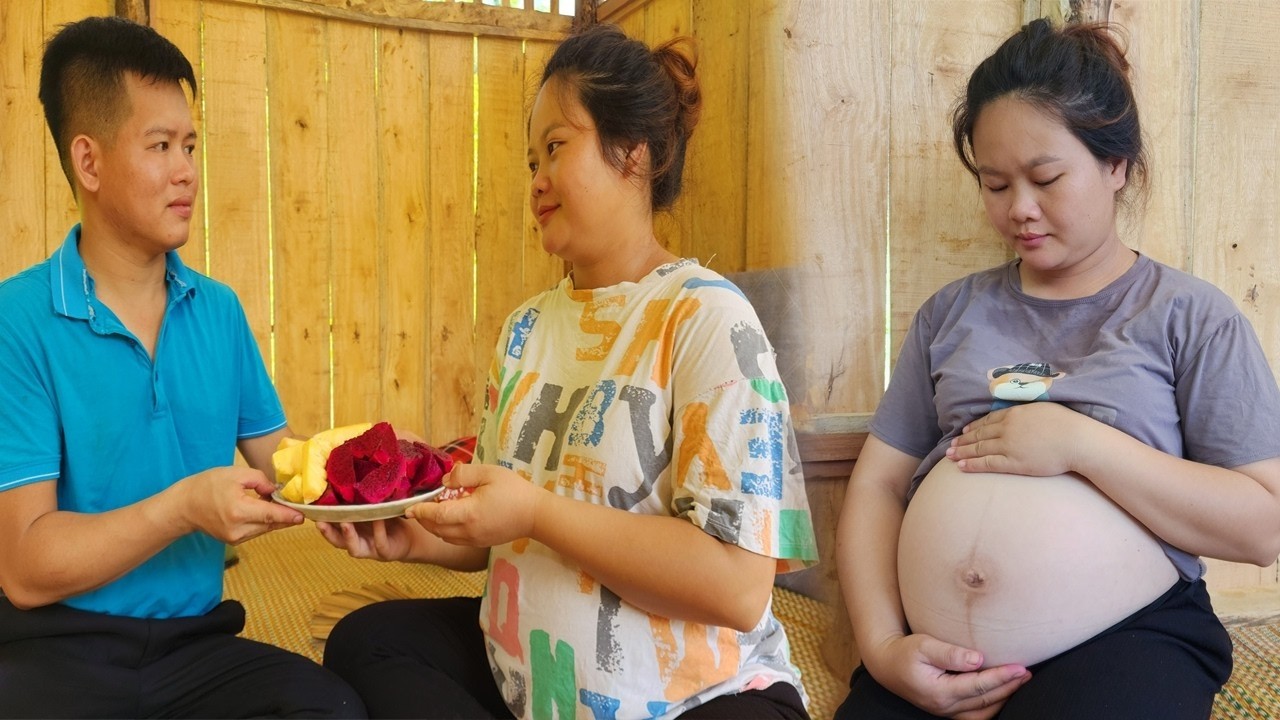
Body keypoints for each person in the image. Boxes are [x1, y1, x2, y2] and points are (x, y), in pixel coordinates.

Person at [317, 22, 819, 720]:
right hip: (532, 682)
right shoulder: (526, 328)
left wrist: (539, 512)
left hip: (697, 699)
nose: (537, 181)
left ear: (633, 153)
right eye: (530, 162)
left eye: (555, 148)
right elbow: (500, 528)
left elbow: (737, 589)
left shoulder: (706, 319)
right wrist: (413, 535)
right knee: (367, 642)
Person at [834, 18, 1280, 720]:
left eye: (1046, 178)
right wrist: (885, 648)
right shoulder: (950, 315)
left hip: (1125, 644)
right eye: (996, 184)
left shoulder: (1190, 317)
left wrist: (1080, 444)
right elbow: (879, 486)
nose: (1020, 209)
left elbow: (1263, 526)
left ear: (1116, 165)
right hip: (936, 657)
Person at [0, 16, 365, 718]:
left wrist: (389, 468)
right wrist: (184, 506)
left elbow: (289, 467)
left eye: (190, 145)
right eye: (160, 145)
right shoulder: (18, 322)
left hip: (195, 646)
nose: (186, 171)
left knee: (333, 709)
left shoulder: (219, 312)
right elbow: (24, 566)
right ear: (90, 162)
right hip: (53, 647)